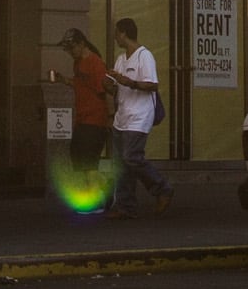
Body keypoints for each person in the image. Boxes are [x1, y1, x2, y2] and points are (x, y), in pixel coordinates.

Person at [108, 18, 170, 217]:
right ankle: (126, 206)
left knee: (131, 157)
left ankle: (161, 188)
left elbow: (152, 85)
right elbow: (115, 86)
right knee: (120, 162)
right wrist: (108, 83)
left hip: (139, 116)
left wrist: (129, 82)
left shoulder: (145, 56)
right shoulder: (120, 59)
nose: (115, 37)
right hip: (122, 116)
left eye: (117, 33)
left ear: (124, 33)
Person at [61, 28, 113, 199]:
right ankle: (104, 185)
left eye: (72, 48)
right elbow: (81, 84)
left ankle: (95, 197)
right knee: (80, 159)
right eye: (67, 49)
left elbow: (104, 90)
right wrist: (63, 80)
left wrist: (110, 117)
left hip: (95, 119)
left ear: (82, 44)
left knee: (88, 162)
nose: (70, 52)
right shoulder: (78, 63)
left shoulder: (95, 62)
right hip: (82, 118)